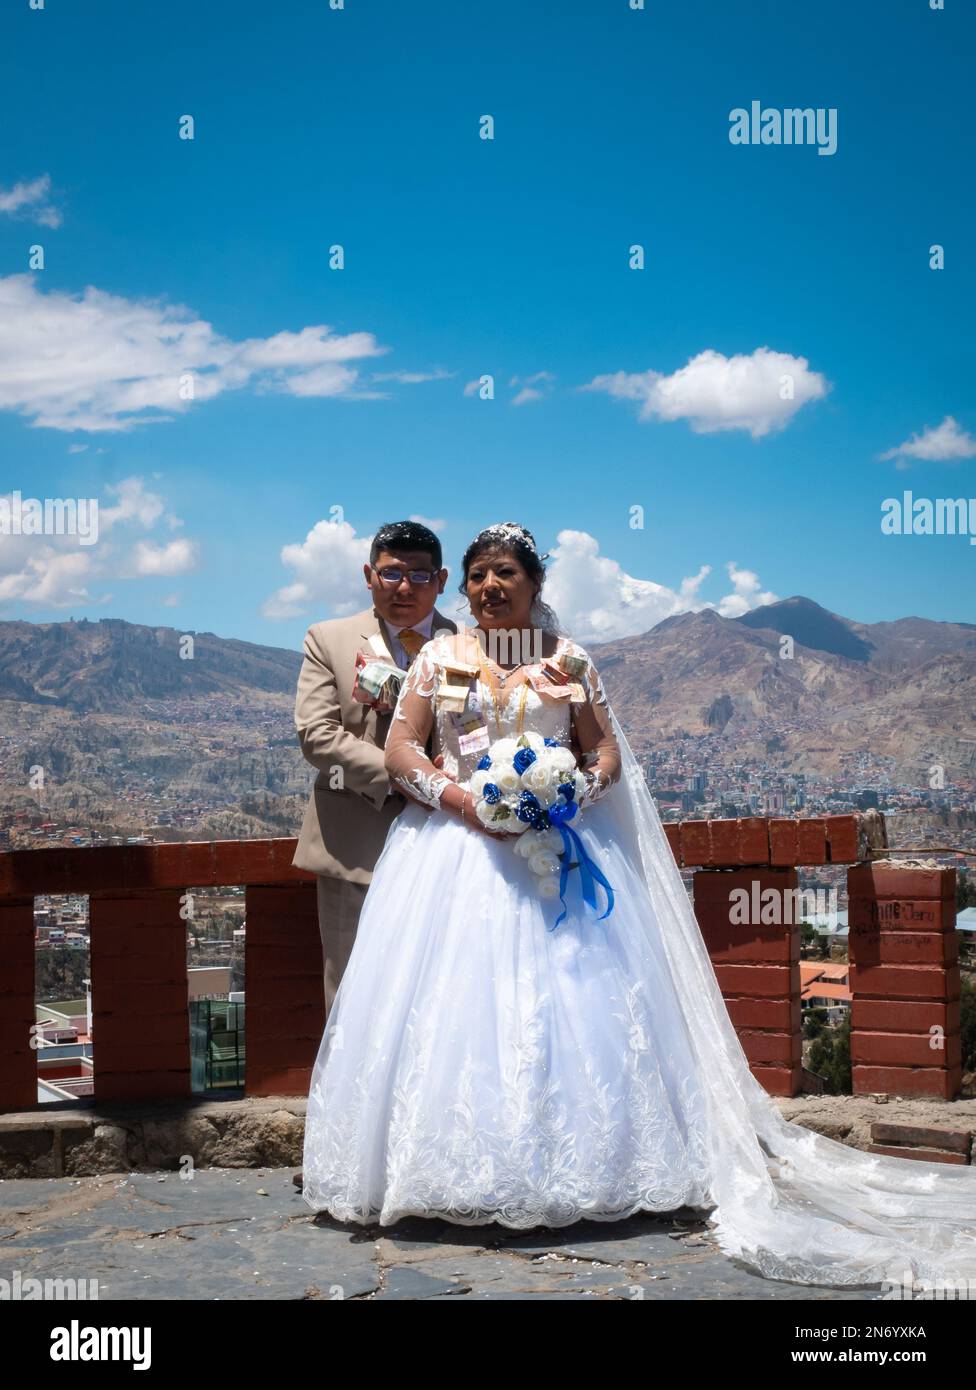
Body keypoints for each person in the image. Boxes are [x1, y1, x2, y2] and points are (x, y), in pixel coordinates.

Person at [301, 521, 976, 1289]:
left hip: (557, 853)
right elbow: (401, 750)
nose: (491, 588)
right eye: (479, 575)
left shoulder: (571, 661)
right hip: (452, 856)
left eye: (506, 575)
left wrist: (565, 796)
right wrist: (463, 801)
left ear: (535, 585)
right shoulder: (439, 656)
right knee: (456, 1009)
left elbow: (607, 753)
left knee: (572, 1005)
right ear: (467, 586)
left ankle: (585, 1170)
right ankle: (442, 1174)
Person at [290, 519, 456, 1187]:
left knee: (439, 997)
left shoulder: (468, 646)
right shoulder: (328, 640)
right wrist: (406, 774)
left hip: (447, 851)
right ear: (369, 575)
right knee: (352, 999)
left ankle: (427, 1147)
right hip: (354, 847)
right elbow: (317, 734)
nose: (405, 586)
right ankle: (344, 1152)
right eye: (392, 572)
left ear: (442, 583)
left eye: (420, 575)